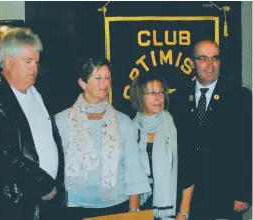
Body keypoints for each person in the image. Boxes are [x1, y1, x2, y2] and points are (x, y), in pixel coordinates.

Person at [0, 28, 65, 219]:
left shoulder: (37, 92)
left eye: (37, 62)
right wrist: (45, 184)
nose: (35, 67)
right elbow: (6, 157)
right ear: (8, 61)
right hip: (18, 206)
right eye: (28, 61)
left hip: (47, 202)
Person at [54, 57, 151, 220]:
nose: (105, 83)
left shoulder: (123, 121)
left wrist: (134, 212)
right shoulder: (61, 120)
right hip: (75, 209)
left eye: (108, 77)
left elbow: (134, 170)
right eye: (98, 78)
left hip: (117, 208)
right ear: (82, 83)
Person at [170, 39, 252, 219]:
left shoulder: (239, 97)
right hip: (188, 197)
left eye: (215, 58)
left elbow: (246, 147)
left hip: (225, 195)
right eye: (203, 58)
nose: (210, 64)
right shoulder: (178, 99)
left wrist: (243, 193)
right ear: (192, 63)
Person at [130, 73, 194, 220]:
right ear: (140, 96)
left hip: (174, 209)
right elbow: (132, 175)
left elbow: (189, 171)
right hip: (143, 209)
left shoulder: (176, 125)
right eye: (153, 93)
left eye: (161, 92)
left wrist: (183, 213)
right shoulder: (131, 128)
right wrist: (133, 211)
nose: (159, 97)